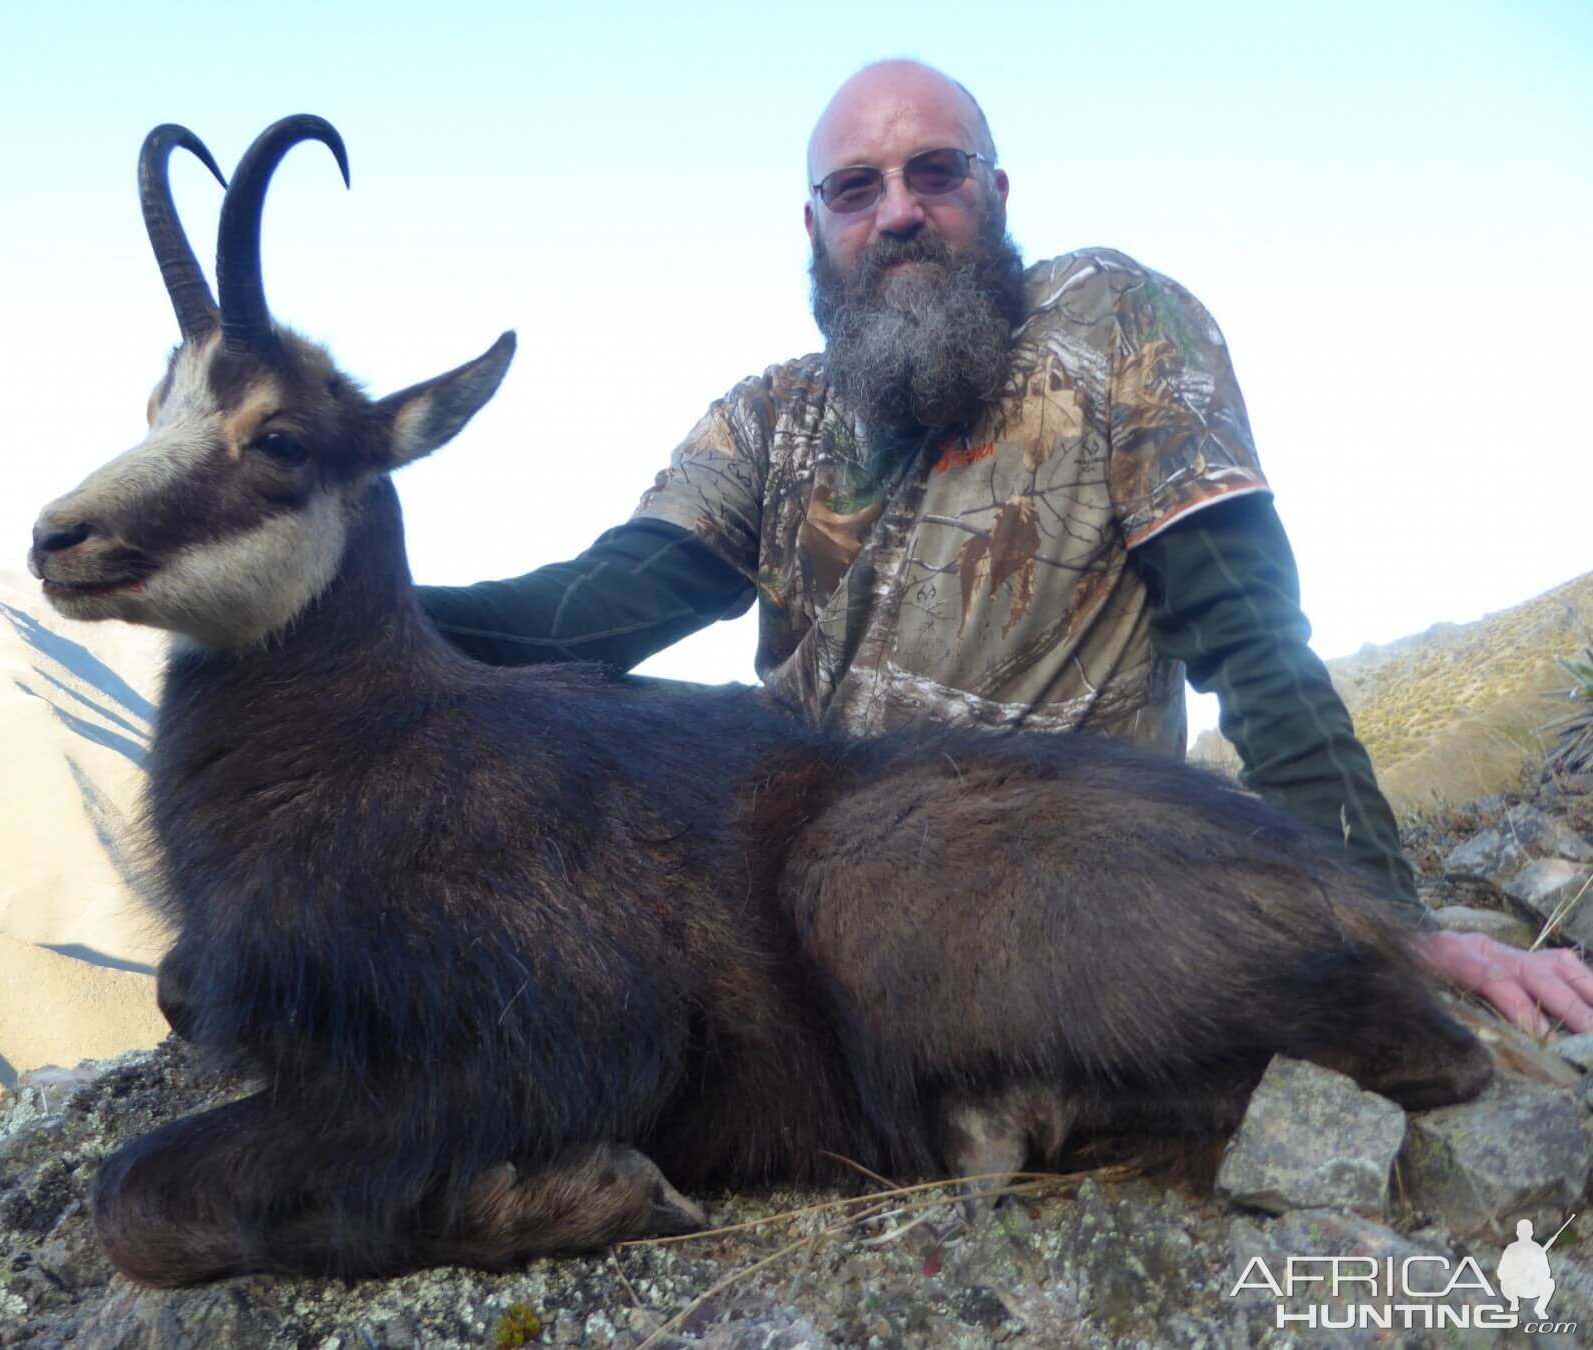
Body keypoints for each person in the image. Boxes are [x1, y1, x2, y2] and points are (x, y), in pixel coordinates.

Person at [418, 59, 1593, 1035]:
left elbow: (1247, 633)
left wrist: (1390, 916)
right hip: (803, 895)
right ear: (815, 222)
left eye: (937, 172)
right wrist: (323, 607)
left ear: (997, 190)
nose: (899, 210)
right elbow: (591, 615)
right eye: (857, 186)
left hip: (1049, 890)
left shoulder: (1116, 321)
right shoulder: (767, 419)